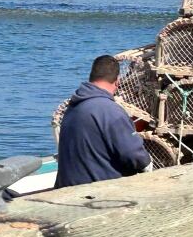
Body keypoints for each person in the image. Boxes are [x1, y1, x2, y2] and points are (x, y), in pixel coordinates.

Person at [55, 55, 152, 188]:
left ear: (92, 77)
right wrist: (148, 164)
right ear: (117, 81)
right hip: (96, 195)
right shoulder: (111, 111)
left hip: (67, 188)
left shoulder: (73, 107)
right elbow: (136, 157)